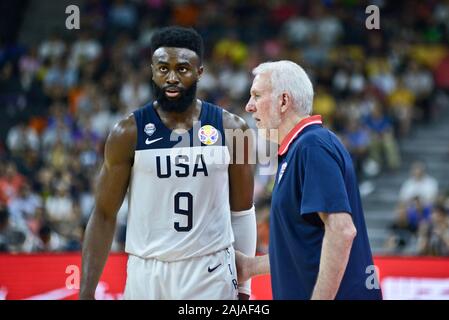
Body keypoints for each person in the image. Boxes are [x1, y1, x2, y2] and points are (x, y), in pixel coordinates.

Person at [79, 26, 257, 300]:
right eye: (163, 68)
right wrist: (86, 292)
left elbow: (242, 212)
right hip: (146, 270)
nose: (172, 77)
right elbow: (103, 213)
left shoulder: (234, 129)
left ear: (199, 72)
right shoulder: (127, 133)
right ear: (152, 70)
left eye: (182, 69)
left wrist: (244, 289)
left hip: (209, 269)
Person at [238, 60, 382, 300]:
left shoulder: (311, 146)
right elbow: (306, 248)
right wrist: (250, 267)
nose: (249, 106)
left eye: (256, 95)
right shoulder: (300, 148)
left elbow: (341, 230)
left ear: (283, 101)